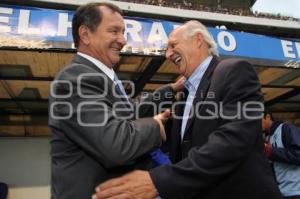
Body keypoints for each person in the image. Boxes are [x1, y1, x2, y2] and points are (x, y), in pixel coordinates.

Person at [94, 20, 283, 199]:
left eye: (173, 45)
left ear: (198, 40)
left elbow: (232, 141)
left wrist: (159, 181)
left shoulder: (234, 70)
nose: (168, 54)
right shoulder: (184, 96)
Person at [49, 2, 183, 199]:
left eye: (123, 32)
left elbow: (130, 113)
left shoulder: (101, 76)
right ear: (85, 34)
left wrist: (170, 89)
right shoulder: (75, 79)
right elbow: (116, 144)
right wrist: (155, 127)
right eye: (114, 31)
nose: (122, 40)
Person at [262, 111, 300, 199]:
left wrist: (270, 150)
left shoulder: (286, 128)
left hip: (295, 192)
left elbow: (298, 155)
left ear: (267, 117)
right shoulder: (268, 138)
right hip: (281, 193)